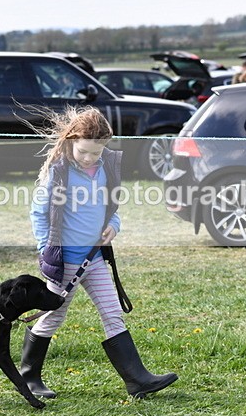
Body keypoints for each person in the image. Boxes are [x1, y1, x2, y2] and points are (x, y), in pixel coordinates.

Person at [22, 106, 177, 399]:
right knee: (53, 316)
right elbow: (38, 214)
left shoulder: (107, 167)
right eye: (83, 151)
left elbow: (112, 208)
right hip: (65, 262)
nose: (90, 157)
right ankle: (29, 377)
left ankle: (137, 380)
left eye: (96, 152)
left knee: (113, 313)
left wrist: (113, 227)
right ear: (71, 142)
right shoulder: (58, 172)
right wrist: (45, 250)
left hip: (93, 260)